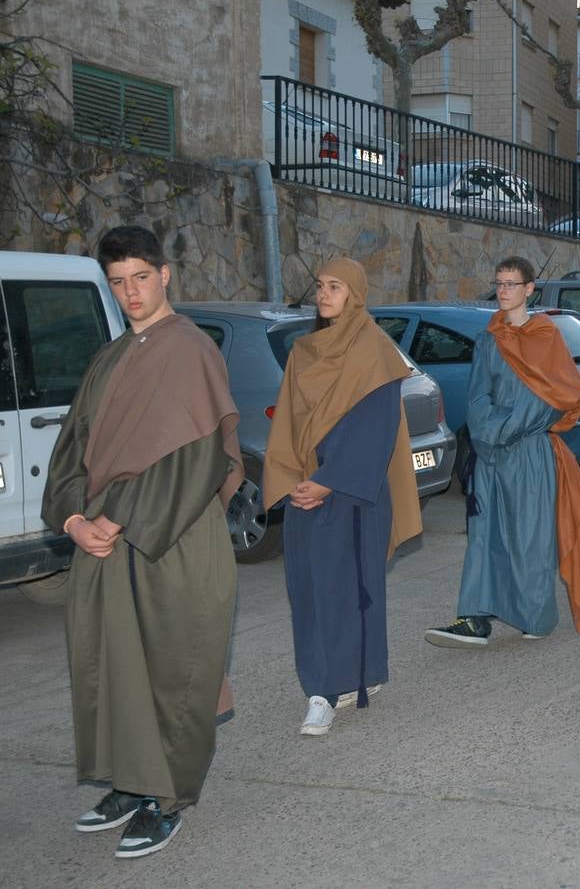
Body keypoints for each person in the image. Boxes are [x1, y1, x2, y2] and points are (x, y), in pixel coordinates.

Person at [42, 225, 242, 858]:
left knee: (173, 667)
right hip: (102, 540)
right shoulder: (108, 358)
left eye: (140, 278)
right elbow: (71, 450)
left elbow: (201, 460)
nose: (131, 292)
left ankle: (170, 797)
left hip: (172, 538)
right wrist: (73, 520)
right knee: (111, 667)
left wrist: (117, 518)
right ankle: (130, 784)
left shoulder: (191, 351)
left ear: (166, 275)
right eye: (118, 281)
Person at [264, 258, 422, 736]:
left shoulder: (375, 351)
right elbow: (286, 425)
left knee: (349, 591)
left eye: (336, 287)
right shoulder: (303, 351)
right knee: (309, 591)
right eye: (320, 285)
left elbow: (376, 431)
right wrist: (294, 481)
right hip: (304, 492)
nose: (324, 294)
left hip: (353, 494)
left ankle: (327, 690)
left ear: (356, 294)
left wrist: (330, 481)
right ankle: (341, 677)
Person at [424, 256, 580, 647]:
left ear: (529, 289)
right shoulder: (489, 337)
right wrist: (488, 435)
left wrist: (503, 429)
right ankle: (474, 618)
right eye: (499, 283)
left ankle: (534, 616)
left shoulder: (546, 336)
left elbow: (552, 398)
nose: (503, 291)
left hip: (531, 451)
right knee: (484, 536)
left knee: (530, 537)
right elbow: (477, 396)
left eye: (511, 284)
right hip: (490, 454)